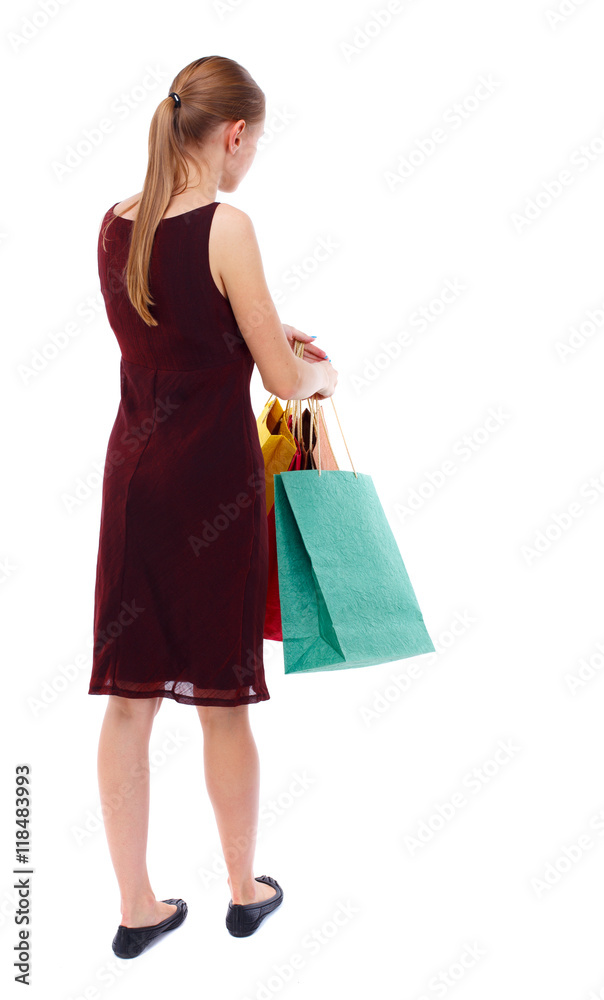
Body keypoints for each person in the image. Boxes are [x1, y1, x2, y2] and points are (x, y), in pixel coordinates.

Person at [88, 55, 338, 959]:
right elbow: (281, 379)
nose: (251, 159)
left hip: (133, 481)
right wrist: (320, 369)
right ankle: (242, 889)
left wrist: (258, 333)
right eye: (255, 144)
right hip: (211, 491)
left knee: (127, 700)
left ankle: (135, 907)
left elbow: (174, 333)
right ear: (234, 134)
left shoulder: (116, 225)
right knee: (222, 699)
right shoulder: (229, 225)